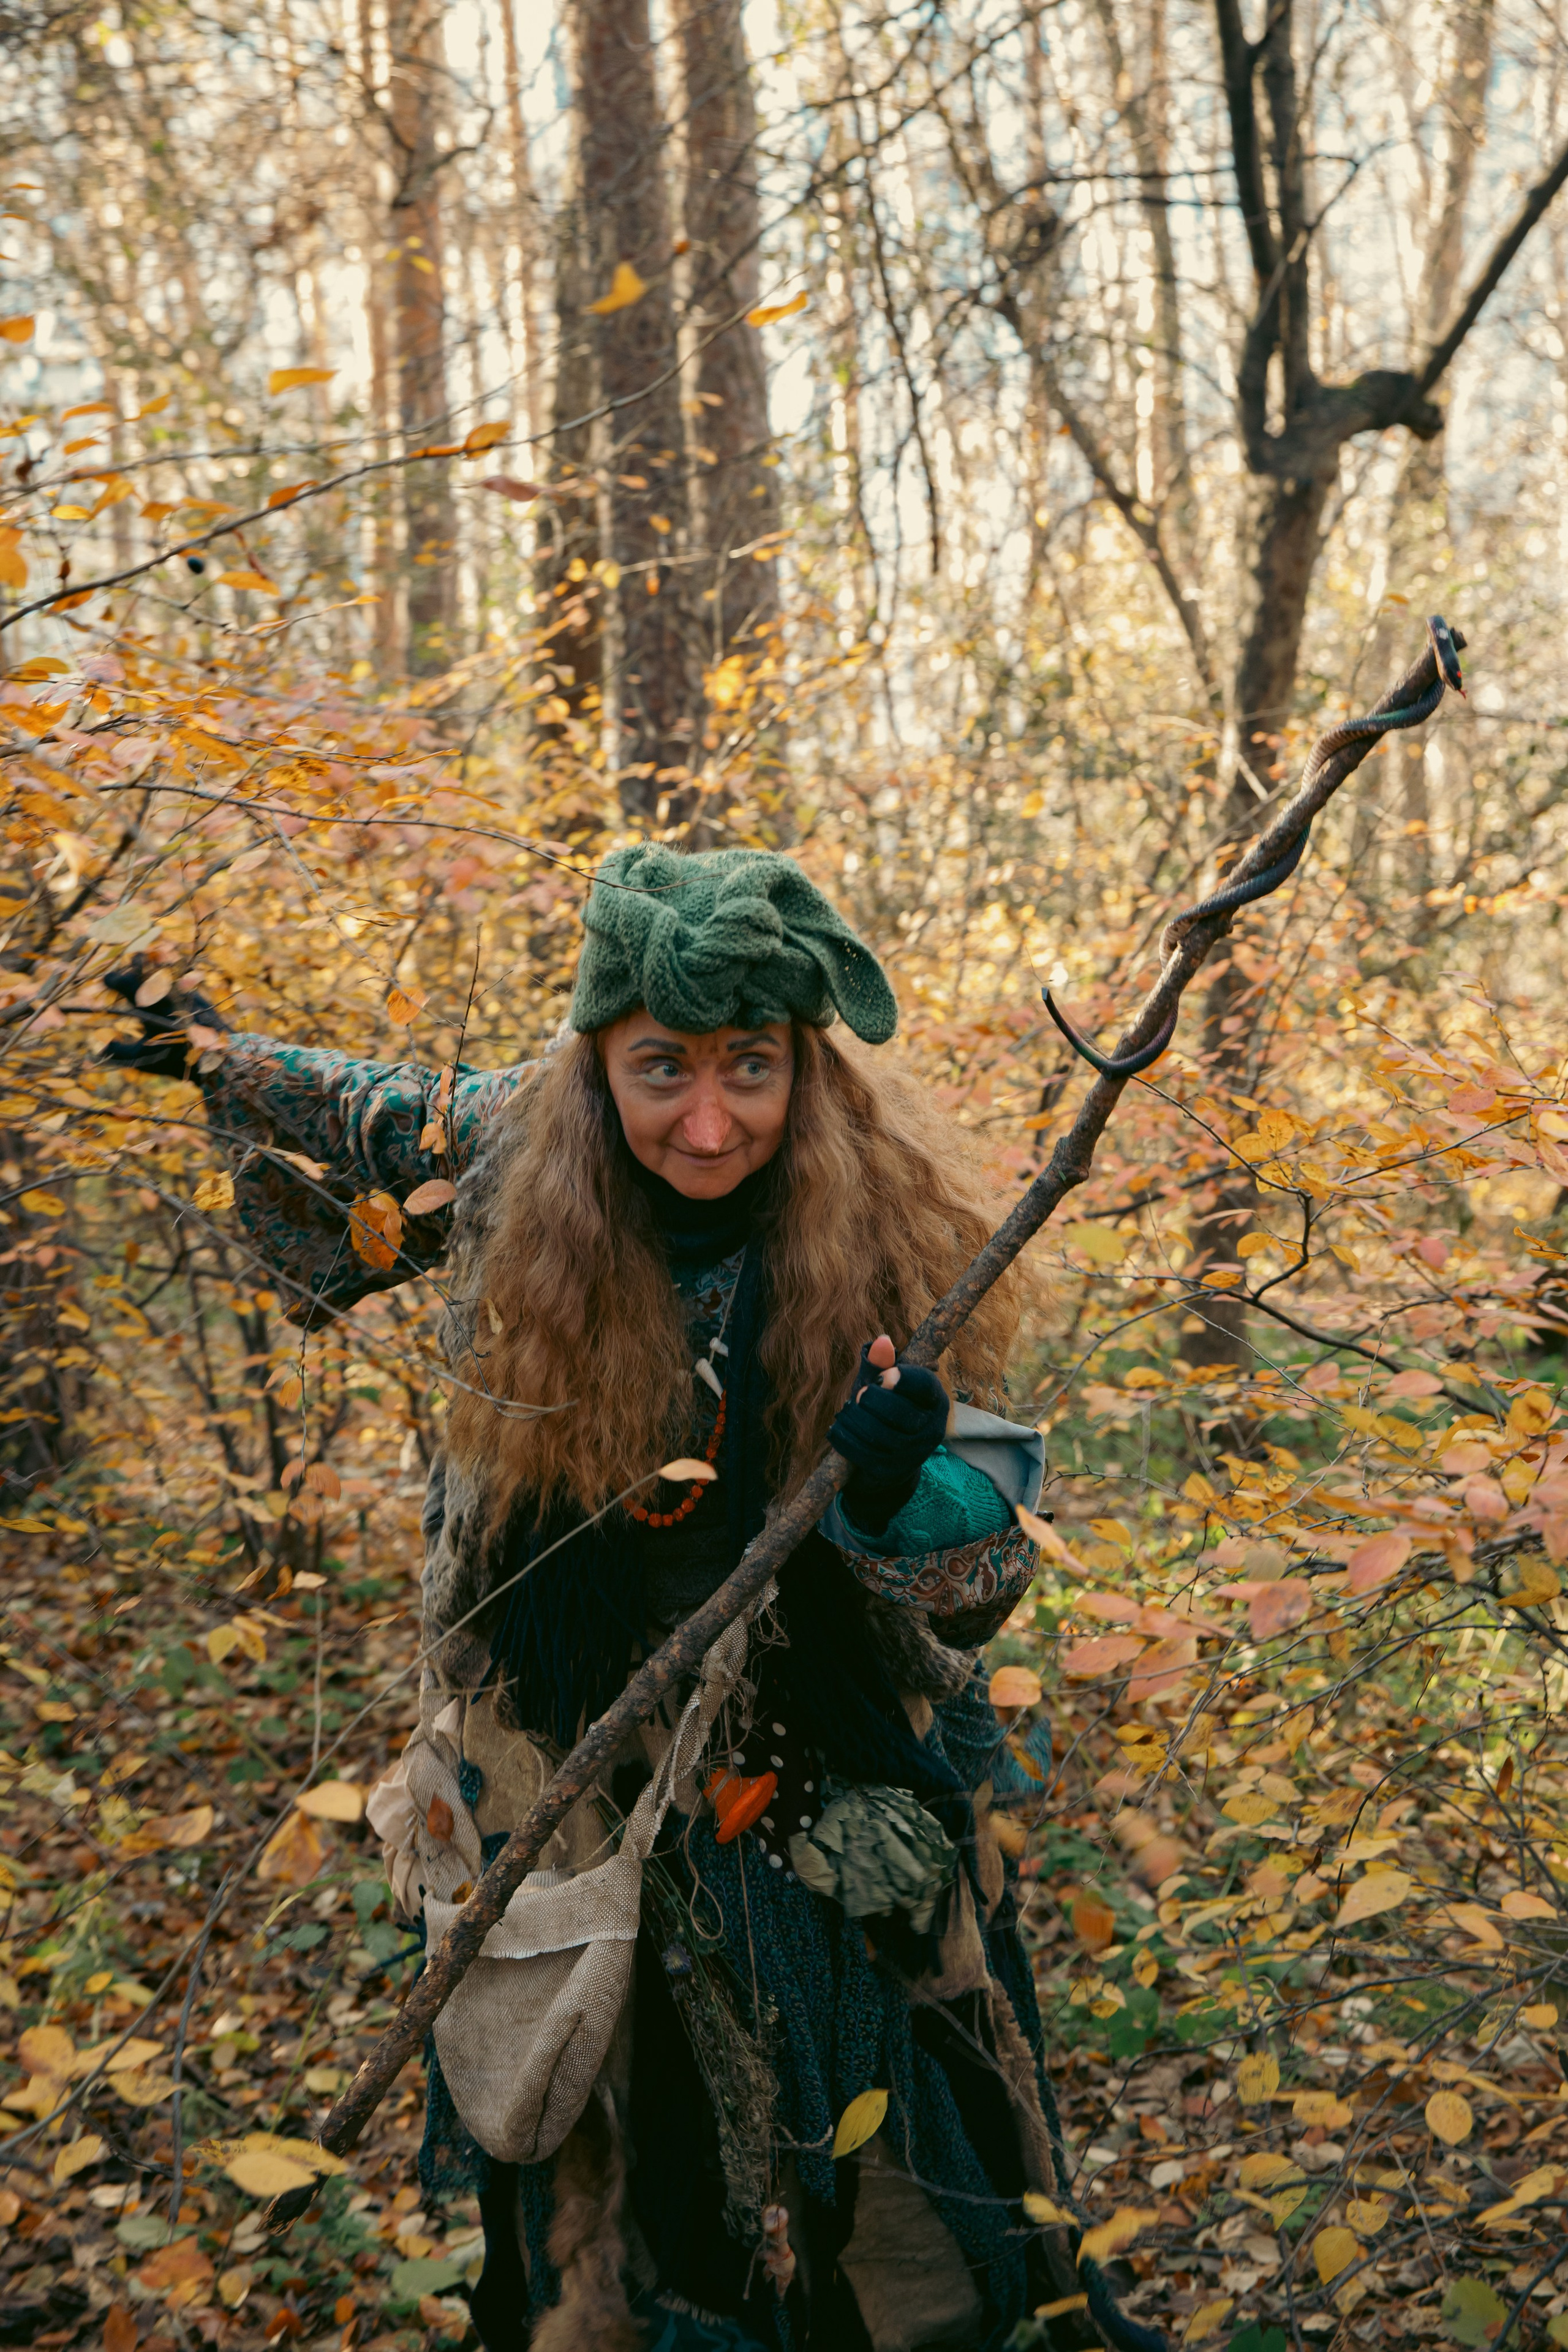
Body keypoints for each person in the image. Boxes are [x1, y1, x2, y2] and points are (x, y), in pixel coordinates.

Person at [105, 846, 1066, 2352]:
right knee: (606, 2158)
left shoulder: (882, 1231)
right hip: (554, 1783)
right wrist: (212, 1054)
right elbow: (347, 1101)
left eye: (750, 1068)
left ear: (804, 1070)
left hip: (810, 1774)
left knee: (872, 2186)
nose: (705, 1120)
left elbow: (986, 1566)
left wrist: (893, 1487)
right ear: (594, 1061)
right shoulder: (505, 1150)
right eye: (659, 1068)